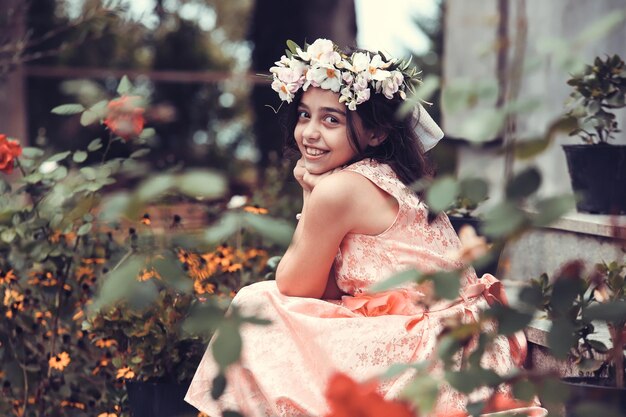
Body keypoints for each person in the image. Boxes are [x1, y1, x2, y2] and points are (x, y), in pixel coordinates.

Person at [185, 38, 546, 417]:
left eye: (331, 120)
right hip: (466, 342)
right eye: (305, 115)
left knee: (255, 304)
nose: (309, 133)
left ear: (376, 133)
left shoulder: (340, 189)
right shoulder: (390, 176)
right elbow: (323, 289)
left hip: (432, 353)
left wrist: (310, 197)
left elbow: (294, 286)